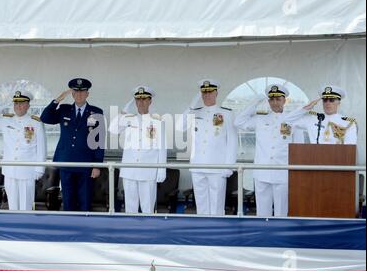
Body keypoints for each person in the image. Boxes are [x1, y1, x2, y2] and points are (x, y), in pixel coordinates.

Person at [234, 84, 303, 217]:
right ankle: (263, 236)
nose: (275, 102)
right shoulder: (260, 118)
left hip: (282, 172)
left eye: (278, 99)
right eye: (271, 99)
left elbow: (298, 148)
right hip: (262, 172)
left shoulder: (293, 120)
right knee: (262, 213)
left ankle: (280, 236)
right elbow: (238, 122)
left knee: (281, 213)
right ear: (268, 101)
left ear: (284, 100)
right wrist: (254, 102)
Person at [40, 78, 105, 211]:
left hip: (86, 164)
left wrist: (97, 164)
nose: (79, 95)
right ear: (72, 94)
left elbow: (99, 140)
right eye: (75, 92)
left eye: (82, 92)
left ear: (87, 94)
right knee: (68, 200)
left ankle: (84, 229)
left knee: (85, 200)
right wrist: (58, 99)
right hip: (66, 162)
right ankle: (69, 229)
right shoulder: (64, 109)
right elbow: (45, 117)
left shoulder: (96, 112)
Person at [176, 79, 238, 215]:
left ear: (216, 93)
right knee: (201, 204)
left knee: (217, 205)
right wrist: (191, 106)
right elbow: (180, 127)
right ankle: (202, 230)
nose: (207, 95)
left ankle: (216, 231)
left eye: (210, 92)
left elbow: (232, 141)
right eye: (204, 92)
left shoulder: (226, 113)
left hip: (217, 166)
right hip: (198, 165)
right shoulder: (195, 112)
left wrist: (229, 166)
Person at [0, 91, 47, 211]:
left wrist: (39, 169)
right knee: (12, 206)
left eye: (22, 103)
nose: (18, 106)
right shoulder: (6, 120)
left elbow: (42, 147)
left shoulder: (35, 122)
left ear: (28, 105)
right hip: (10, 170)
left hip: (28, 171)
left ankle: (26, 228)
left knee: (26, 206)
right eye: (16, 103)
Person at [109, 86, 167, 213]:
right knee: (130, 207)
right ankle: (131, 232)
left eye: (144, 99)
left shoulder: (157, 123)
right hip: (129, 170)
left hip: (148, 171)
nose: (141, 103)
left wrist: (161, 170)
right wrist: (123, 111)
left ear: (150, 101)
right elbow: (112, 129)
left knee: (148, 207)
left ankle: (149, 232)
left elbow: (162, 148)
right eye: (138, 100)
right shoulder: (128, 119)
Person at [284, 85, 357, 145]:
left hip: (337, 160)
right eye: (325, 100)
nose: (328, 103)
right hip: (315, 159)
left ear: (338, 103)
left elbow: (350, 147)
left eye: (331, 100)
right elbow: (286, 121)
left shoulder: (348, 123)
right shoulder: (312, 119)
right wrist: (304, 108)